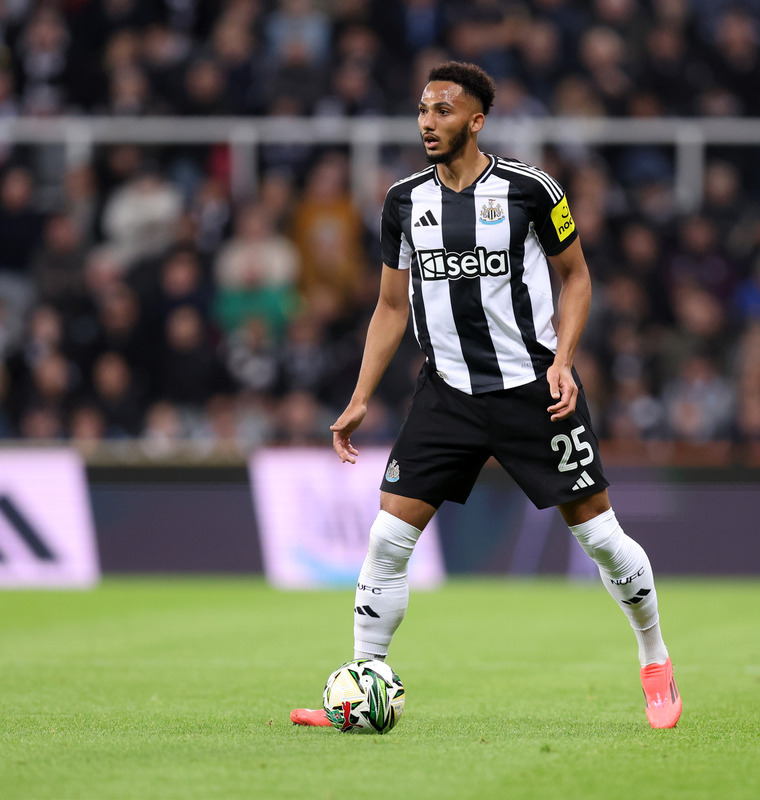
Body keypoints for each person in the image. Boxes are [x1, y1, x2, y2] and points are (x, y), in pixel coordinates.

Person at [289, 62, 681, 730]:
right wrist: (360, 394)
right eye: (421, 110)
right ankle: (364, 684)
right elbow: (389, 307)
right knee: (387, 538)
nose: (427, 123)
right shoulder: (403, 201)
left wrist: (564, 361)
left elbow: (578, 280)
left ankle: (655, 660)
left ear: (476, 120)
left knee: (603, 541)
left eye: (442, 111)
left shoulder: (532, 189)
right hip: (446, 395)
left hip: (533, 391)